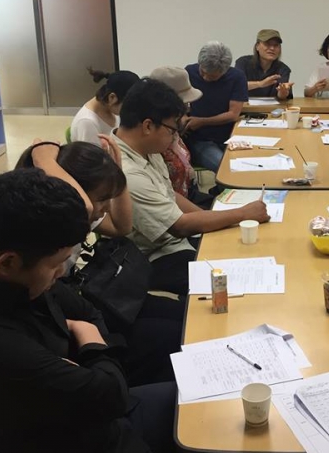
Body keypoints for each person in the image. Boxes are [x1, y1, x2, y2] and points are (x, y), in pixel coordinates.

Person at [0, 169, 183, 453]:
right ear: (7, 262)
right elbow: (110, 395)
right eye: (56, 265)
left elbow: (88, 314)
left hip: (95, 422)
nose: (60, 273)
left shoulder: (0, 272)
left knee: (205, 402)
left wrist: (85, 340)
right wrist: (90, 342)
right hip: (81, 452)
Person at [17, 138, 183, 387]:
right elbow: (84, 206)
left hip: (86, 298)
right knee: (171, 336)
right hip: (74, 308)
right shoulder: (58, 219)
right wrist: (43, 156)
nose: (106, 207)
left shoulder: (83, 213)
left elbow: (121, 227)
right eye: (102, 198)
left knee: (181, 315)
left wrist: (119, 179)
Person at [114, 78, 269, 295]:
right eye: (172, 129)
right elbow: (179, 226)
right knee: (234, 280)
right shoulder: (128, 172)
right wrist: (242, 213)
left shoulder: (146, 148)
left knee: (242, 246)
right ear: (148, 126)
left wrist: (211, 220)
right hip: (155, 258)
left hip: (176, 242)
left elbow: (171, 195)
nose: (175, 136)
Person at [184, 42, 248, 172]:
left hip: (231, 138)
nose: (205, 78)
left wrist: (202, 121)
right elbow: (180, 103)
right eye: (203, 72)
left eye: (212, 76)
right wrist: (184, 118)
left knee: (247, 165)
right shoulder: (189, 72)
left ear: (225, 71)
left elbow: (233, 114)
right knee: (226, 168)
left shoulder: (237, 77)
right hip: (201, 140)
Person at [149, 66, 209, 205]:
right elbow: (168, 195)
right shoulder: (156, 137)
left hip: (187, 192)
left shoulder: (175, 130)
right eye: (184, 103)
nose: (188, 108)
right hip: (174, 204)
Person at [70, 67, 140, 145]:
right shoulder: (87, 123)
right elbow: (92, 153)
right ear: (112, 98)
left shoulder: (112, 108)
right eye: (128, 106)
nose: (129, 109)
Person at [234, 29, 294, 100]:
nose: (272, 48)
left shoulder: (283, 69)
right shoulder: (243, 62)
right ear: (257, 46)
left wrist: (283, 92)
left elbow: (281, 96)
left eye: (276, 45)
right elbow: (237, 86)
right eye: (267, 44)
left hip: (272, 107)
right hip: (244, 106)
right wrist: (260, 84)